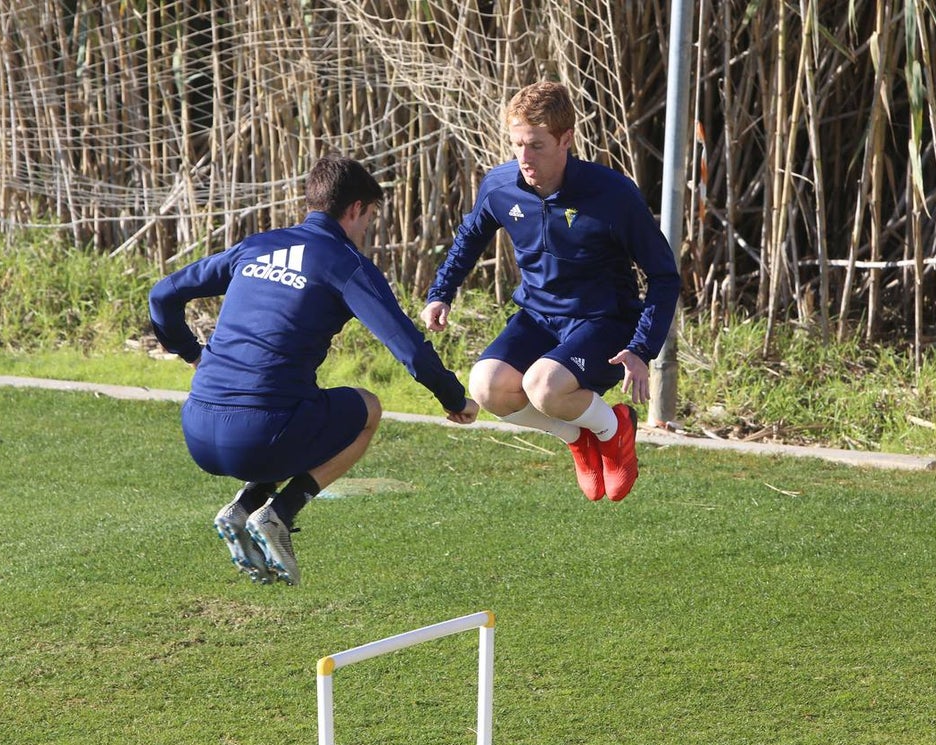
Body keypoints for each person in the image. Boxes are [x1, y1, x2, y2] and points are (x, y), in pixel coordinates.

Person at [149, 154, 479, 586]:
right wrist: (455, 400)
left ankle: (246, 504)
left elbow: (162, 295)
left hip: (196, 429)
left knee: (300, 406)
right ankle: (280, 513)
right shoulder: (344, 263)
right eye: (369, 218)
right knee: (368, 409)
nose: (365, 232)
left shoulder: (257, 246)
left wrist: (193, 354)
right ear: (356, 208)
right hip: (261, 437)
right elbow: (410, 351)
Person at [420, 81, 680, 502]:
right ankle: (578, 437)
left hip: (603, 322)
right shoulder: (501, 186)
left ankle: (616, 429)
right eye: (518, 144)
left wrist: (641, 348)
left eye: (536, 145)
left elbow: (664, 276)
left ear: (566, 139)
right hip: (539, 316)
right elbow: (469, 237)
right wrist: (441, 292)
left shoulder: (612, 195)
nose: (524, 157)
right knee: (486, 386)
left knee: (544, 386)